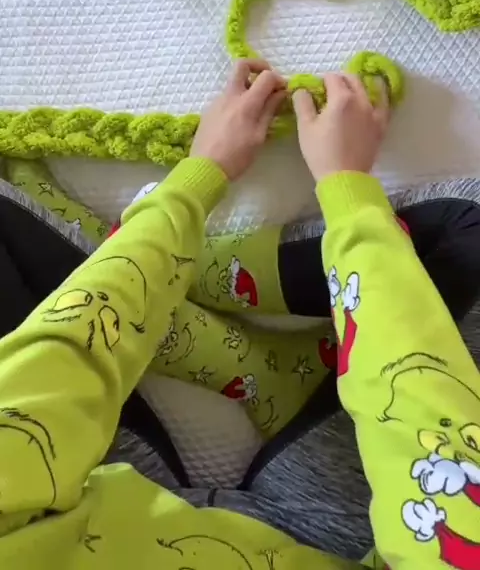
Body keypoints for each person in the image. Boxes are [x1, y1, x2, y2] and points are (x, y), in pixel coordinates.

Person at [0, 60, 479, 570]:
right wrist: (347, 190)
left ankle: (175, 275)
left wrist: (197, 182)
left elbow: (56, 364)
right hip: (332, 536)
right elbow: (431, 425)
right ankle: (198, 295)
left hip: (84, 504)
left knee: (58, 362)